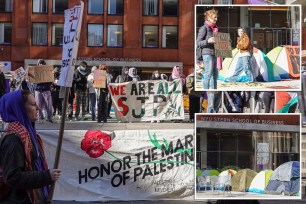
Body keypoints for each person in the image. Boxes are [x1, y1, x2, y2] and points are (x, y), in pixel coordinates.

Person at [0, 90, 61, 203]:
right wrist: (46, 176)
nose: (38, 108)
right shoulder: (13, 139)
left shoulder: (29, 135)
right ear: (20, 108)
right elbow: (13, 177)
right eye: (33, 104)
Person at [196, 9, 220, 89]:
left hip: (215, 53)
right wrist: (208, 41)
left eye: (216, 17)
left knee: (215, 75)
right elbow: (198, 42)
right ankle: (206, 91)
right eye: (214, 17)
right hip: (207, 53)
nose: (216, 19)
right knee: (208, 73)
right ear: (208, 18)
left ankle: (214, 91)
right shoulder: (204, 28)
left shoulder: (215, 28)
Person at [33, 59, 54, 123]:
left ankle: (49, 118)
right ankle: (40, 118)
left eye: (42, 63)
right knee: (38, 105)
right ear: (38, 64)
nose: (41, 64)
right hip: (38, 90)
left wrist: (52, 75)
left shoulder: (48, 71)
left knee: (49, 105)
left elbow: (51, 81)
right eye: (40, 63)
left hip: (46, 90)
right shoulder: (35, 71)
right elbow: (32, 81)